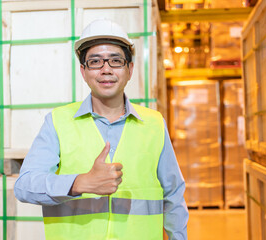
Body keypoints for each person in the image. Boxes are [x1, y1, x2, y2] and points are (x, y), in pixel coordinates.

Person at [14, 19, 188, 240]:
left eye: (116, 61)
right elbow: (25, 185)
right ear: (84, 71)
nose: (106, 69)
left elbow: (173, 195)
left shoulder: (154, 123)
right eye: (95, 62)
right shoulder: (58, 121)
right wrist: (78, 183)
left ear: (130, 69)